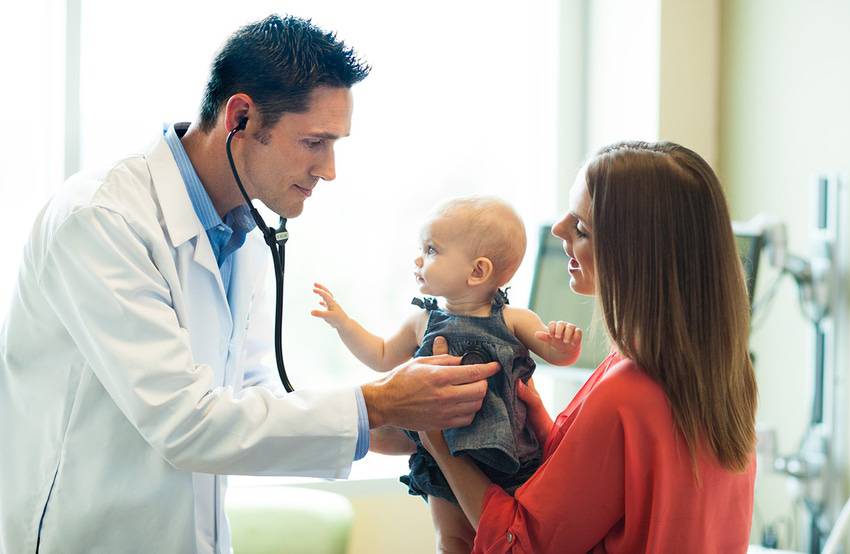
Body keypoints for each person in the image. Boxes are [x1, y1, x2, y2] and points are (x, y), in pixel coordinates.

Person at [0, 15, 500, 554]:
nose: (329, 170)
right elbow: (186, 423)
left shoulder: (245, 232)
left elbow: (251, 397)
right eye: (314, 142)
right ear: (240, 116)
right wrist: (378, 402)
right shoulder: (102, 221)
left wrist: (408, 424)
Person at [418, 141, 759, 553]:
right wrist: (551, 432)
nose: (558, 229)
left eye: (581, 228)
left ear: (634, 254)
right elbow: (633, 489)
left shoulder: (627, 390)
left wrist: (438, 441)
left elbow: (519, 546)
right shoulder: (724, 375)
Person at [311, 196, 583, 553]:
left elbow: (554, 355)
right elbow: (380, 356)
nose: (418, 259)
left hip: (508, 456)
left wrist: (565, 345)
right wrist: (345, 325)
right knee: (452, 540)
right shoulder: (421, 321)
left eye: (432, 250)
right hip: (441, 456)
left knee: (497, 537)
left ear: (477, 271)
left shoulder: (515, 319)